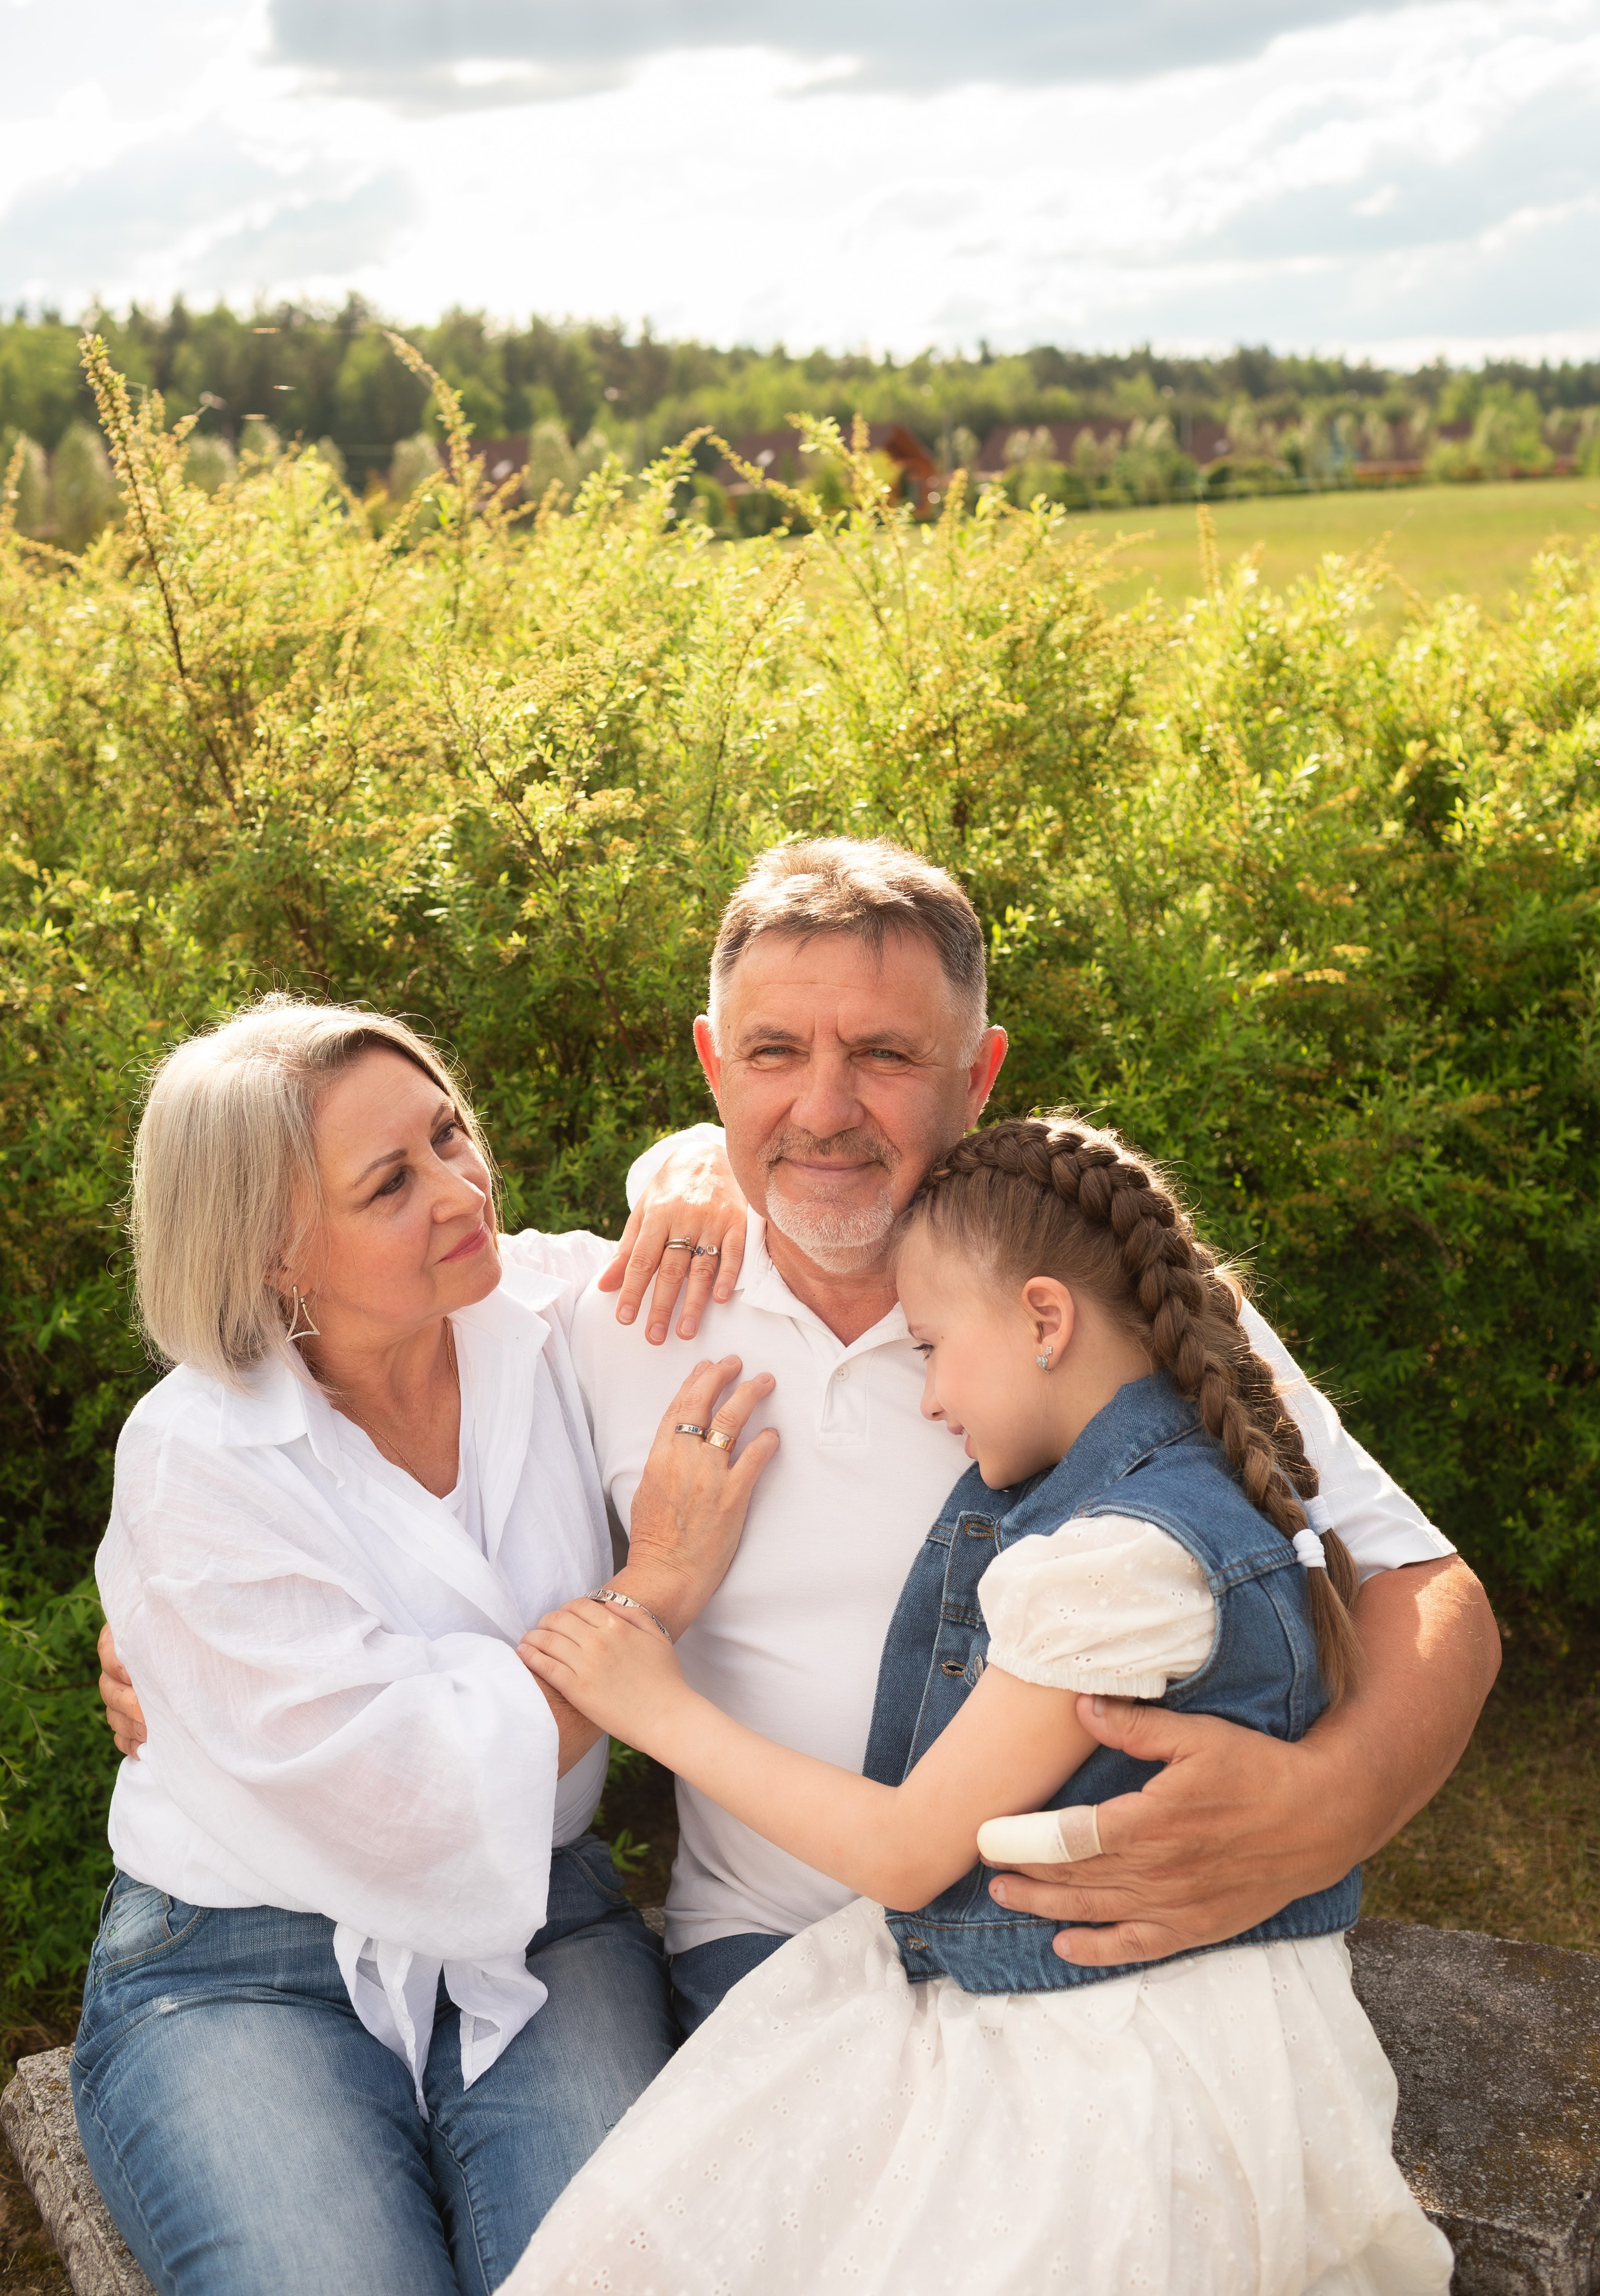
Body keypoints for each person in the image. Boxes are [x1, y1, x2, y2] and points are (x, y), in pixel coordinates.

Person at [98, 839, 1500, 2024]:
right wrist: (176, 1636)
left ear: (980, 1070)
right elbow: (368, 1459)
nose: (821, 1111)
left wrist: (1333, 1802)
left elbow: (1420, 1587)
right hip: (768, 1960)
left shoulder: (1095, 1303)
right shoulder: (609, 1315)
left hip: (1096, 1947)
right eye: (774, 1053)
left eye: (884, 1055)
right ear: (712, 1064)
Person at [508, 1116, 1457, 2295]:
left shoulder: (1121, 1561)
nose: (930, 1397)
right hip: (1090, 1995)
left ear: (1046, 1320)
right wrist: (684, 1155)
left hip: (1116, 2050)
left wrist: (650, 1702)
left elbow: (908, 1853)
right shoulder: (1171, 1472)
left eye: (933, 1349)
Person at [72, 997, 763, 2296]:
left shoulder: (547, 1317)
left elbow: (744, 1217)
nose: (461, 1189)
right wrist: (652, 1592)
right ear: (273, 1249)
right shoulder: (196, 1456)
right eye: (391, 1182)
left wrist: (699, 1161)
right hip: (245, 1955)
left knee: (609, 2277)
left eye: (450, 1135)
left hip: (539, 1920)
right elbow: (410, 1784)